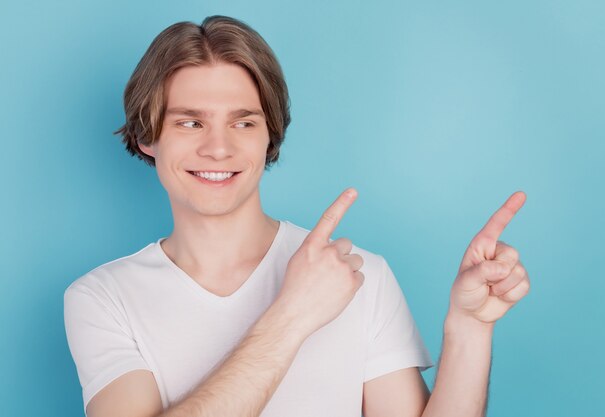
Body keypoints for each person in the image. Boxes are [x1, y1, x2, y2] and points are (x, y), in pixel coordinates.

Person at [63, 15, 530, 417]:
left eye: (243, 122)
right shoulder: (102, 299)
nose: (219, 147)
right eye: (190, 122)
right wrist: (292, 316)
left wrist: (470, 328)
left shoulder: (359, 277)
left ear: (269, 136)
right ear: (148, 136)